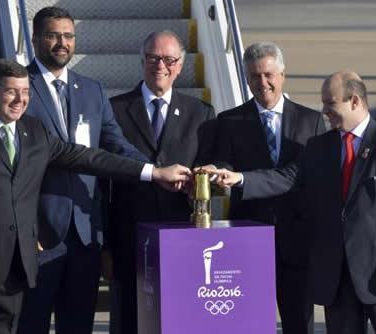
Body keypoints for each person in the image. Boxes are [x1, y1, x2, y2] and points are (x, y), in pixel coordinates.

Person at [0, 59, 190, 334]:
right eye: (11, 91)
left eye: (25, 92)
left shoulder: (35, 132)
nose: (20, 99)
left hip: (14, 269)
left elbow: (88, 157)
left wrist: (154, 173)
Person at [215, 71, 376, 334]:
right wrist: (239, 179)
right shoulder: (319, 147)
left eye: (330, 103)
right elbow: (285, 178)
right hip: (337, 279)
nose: (324, 110)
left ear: (354, 101)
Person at [16, 7, 148, 334]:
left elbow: (116, 145)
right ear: (35, 40)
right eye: (53, 35)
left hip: (85, 233)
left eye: (69, 36)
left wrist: (154, 170)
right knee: (30, 324)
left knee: (77, 325)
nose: (62, 43)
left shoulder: (92, 90)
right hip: (38, 235)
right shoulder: (19, 90)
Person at [208, 42, 325, 334]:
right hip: (250, 237)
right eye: (255, 77)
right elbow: (225, 163)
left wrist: (243, 179)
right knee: (250, 322)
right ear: (246, 79)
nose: (263, 83)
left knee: (298, 322)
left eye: (269, 74)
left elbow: (303, 175)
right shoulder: (230, 120)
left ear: (283, 74)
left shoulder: (311, 120)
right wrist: (218, 171)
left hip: (297, 240)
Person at [107, 30, 216, 333]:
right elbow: (104, 183)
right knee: (129, 321)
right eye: (154, 58)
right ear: (142, 61)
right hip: (129, 239)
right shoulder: (113, 110)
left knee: (180, 321)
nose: (161, 65)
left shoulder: (202, 113)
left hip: (183, 239)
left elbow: (213, 172)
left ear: (180, 66)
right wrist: (106, 246)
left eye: (169, 59)